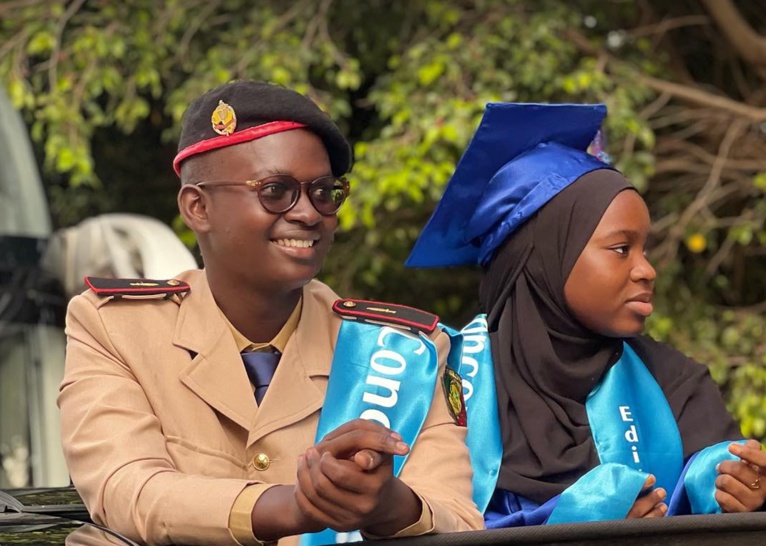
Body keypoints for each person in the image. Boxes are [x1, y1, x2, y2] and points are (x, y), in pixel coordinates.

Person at [58, 80, 483, 546]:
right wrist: (296, 506)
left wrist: (388, 506)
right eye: (275, 191)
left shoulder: (405, 350)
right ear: (197, 207)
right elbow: (126, 491)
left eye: (324, 192)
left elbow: (459, 520)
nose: (308, 214)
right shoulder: (115, 325)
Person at [406, 103, 766, 527]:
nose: (647, 270)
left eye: (644, 249)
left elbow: (717, 497)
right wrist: (575, 522)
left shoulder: (674, 382)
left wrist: (739, 488)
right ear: (546, 260)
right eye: (621, 249)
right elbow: (423, 524)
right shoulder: (443, 380)